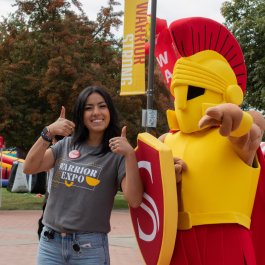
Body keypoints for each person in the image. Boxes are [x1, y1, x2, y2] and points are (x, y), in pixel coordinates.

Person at [23, 86, 144, 265]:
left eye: (102, 106)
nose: (96, 112)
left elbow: (134, 200)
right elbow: (29, 167)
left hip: (90, 249)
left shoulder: (117, 154)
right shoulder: (65, 145)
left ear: (110, 112)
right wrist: (48, 132)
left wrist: (130, 155)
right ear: (81, 114)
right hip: (50, 244)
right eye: (88, 108)